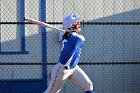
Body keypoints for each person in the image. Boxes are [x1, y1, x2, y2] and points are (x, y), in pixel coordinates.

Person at [43, 14, 94, 93]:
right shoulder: (77, 39)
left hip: (73, 68)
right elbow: (80, 41)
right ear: (71, 26)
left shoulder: (68, 36)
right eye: (76, 23)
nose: (79, 24)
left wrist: (70, 32)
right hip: (62, 70)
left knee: (88, 85)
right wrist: (71, 33)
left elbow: (70, 37)